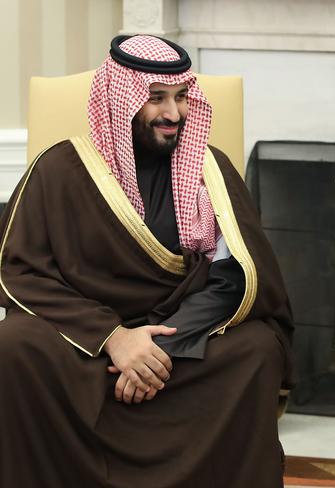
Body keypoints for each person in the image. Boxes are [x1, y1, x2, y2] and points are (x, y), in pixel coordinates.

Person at [0, 35, 293, 488]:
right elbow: (19, 270)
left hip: (179, 340)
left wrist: (158, 351)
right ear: (120, 100)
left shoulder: (209, 170)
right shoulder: (58, 169)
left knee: (255, 349)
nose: (173, 114)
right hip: (85, 341)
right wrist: (112, 337)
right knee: (15, 344)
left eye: (181, 98)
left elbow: (236, 277)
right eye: (156, 99)